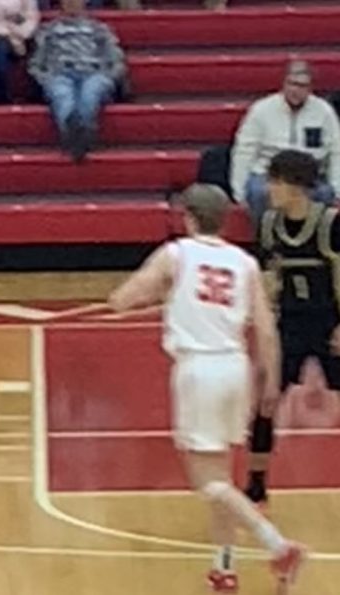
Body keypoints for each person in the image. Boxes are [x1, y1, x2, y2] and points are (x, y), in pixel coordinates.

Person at [108, 183, 306, 592]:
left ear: (188, 217)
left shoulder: (177, 254)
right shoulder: (244, 262)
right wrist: (270, 379)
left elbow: (121, 300)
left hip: (199, 371)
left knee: (208, 482)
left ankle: (278, 545)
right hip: (236, 367)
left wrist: (163, 292)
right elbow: (266, 330)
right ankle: (224, 566)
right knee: (222, 477)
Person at [246, 149, 340, 508]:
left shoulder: (330, 223)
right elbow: (271, 275)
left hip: (330, 322)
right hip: (290, 323)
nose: (269, 188)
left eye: (274, 181)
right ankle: (256, 484)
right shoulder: (270, 224)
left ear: (294, 185)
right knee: (267, 399)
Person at [230, 60, 340, 220]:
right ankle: (265, 239)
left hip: (310, 176)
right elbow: (245, 150)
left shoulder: (325, 112)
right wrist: (238, 191)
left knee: (325, 194)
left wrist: (338, 190)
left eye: (303, 86)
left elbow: (336, 151)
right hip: (268, 173)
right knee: (257, 193)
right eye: (292, 84)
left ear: (310, 88)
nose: (296, 90)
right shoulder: (261, 109)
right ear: (284, 84)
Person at [28, 0, 125, 162]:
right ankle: (72, 132)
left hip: (94, 72)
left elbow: (115, 59)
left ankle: (81, 134)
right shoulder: (48, 30)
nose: (72, 4)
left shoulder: (99, 30)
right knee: (62, 95)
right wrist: (44, 78)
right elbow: (36, 63)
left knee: (90, 93)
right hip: (59, 73)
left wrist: (110, 76)